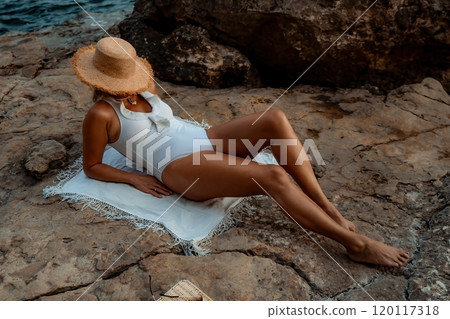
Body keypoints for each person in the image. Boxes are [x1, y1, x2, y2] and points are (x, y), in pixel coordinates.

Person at [72, 37, 409, 267]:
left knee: (274, 119)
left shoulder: (145, 84)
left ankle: (325, 206)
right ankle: (356, 245)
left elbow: (171, 124)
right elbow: (92, 166)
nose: (135, 78)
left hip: (200, 139)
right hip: (177, 166)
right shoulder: (100, 115)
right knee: (274, 175)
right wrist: (134, 178)